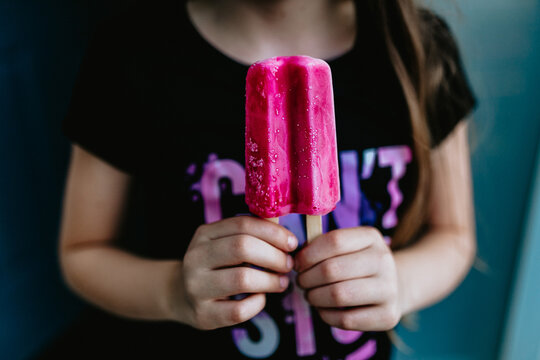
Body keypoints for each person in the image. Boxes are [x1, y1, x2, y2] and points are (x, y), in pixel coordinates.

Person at [44, 0, 477, 358]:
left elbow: (454, 236)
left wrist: (400, 282)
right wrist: (174, 290)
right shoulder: (130, 53)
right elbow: (82, 253)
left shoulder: (419, 47)